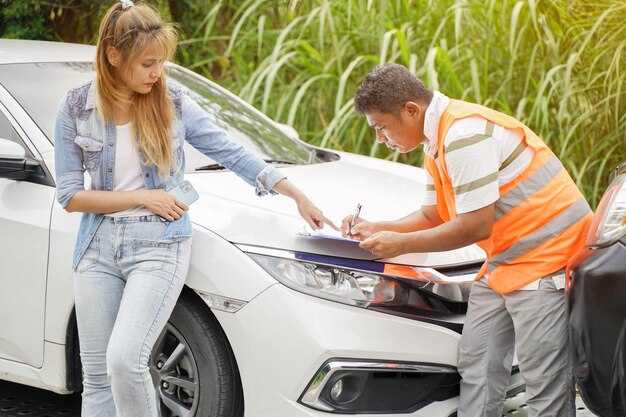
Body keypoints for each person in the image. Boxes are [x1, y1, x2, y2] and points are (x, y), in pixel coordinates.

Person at [54, 1, 335, 416]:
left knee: (125, 359)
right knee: (97, 378)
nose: (156, 73)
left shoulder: (173, 102)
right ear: (114, 57)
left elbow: (230, 149)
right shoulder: (77, 108)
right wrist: (141, 196)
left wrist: (295, 194)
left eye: (161, 62)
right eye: (148, 63)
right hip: (97, 247)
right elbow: (70, 196)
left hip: (159, 246)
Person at [342, 63, 592, 417]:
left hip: (547, 261)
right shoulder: (436, 140)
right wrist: (377, 227)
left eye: (381, 127)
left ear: (411, 111)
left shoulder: (464, 135)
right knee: (478, 362)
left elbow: (475, 227)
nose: (380, 139)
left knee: (543, 384)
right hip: (507, 260)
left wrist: (399, 246)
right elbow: (434, 215)